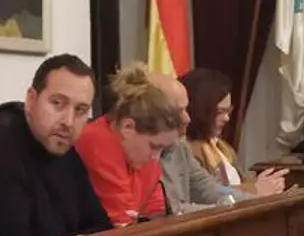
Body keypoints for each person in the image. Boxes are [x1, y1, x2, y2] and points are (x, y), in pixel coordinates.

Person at [0, 54, 111, 236]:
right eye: (58, 103)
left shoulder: (67, 153)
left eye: (80, 110)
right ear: (31, 100)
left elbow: (102, 227)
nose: (68, 121)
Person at [74, 64, 183, 226]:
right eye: (154, 146)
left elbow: (157, 217)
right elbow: (122, 222)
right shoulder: (98, 142)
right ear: (128, 127)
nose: (156, 157)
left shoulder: (147, 159)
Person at [179, 68, 287, 196]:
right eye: (220, 112)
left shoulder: (222, 147)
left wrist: (267, 184)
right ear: (199, 110)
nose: (227, 118)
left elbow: (239, 182)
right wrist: (255, 189)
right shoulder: (186, 150)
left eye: (228, 111)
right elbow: (210, 193)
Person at [149, 71, 239, 213]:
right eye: (179, 111)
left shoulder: (180, 147)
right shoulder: (141, 153)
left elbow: (210, 189)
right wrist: (225, 208)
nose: (187, 119)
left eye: (186, 109)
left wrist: (255, 201)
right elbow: (172, 211)